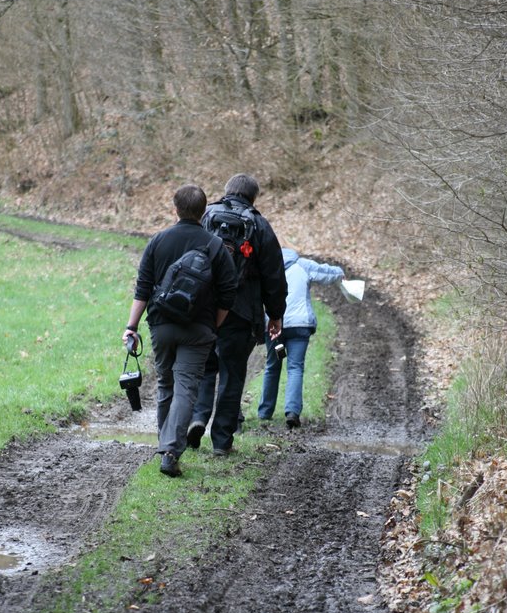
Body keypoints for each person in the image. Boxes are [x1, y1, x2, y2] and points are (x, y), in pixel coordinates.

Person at [123, 184, 238, 477]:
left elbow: (143, 288)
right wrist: (214, 324)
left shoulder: (158, 241)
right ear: (204, 211)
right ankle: (171, 451)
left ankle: (165, 444)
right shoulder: (215, 246)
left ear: (175, 208)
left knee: (165, 384)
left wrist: (131, 327)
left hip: (161, 325)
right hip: (198, 329)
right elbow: (228, 294)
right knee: (187, 387)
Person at [187, 173, 287, 456]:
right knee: (232, 374)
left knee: (204, 368)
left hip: (204, 309)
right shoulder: (259, 225)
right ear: (253, 197)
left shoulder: (206, 216)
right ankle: (221, 441)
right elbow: (274, 276)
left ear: (227, 191)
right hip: (241, 313)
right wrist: (275, 314)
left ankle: (197, 417)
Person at [258, 248, 344, 429]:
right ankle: (292, 412)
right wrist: (340, 274)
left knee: (274, 365)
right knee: (295, 367)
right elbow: (325, 272)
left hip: (275, 329)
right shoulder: (302, 264)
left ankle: (265, 412)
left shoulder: (267, 267)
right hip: (299, 327)